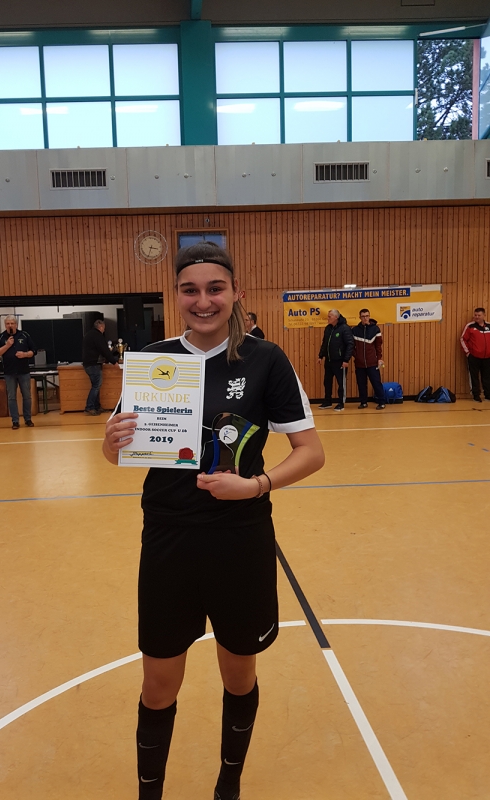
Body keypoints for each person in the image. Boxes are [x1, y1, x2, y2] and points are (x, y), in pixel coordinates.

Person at [103, 242, 325, 800]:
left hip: (239, 538)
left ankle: (229, 784)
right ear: (176, 296)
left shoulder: (265, 359)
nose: (203, 301)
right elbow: (118, 453)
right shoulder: (154, 360)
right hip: (169, 537)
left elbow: (310, 451)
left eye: (215, 288)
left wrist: (255, 484)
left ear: (235, 294)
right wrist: (111, 441)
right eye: (190, 290)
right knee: (158, 683)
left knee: (238, 675)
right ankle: (149, 792)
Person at [0, 315, 37, 430]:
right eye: (8, 323)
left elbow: (34, 350)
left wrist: (25, 354)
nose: (10, 325)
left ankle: (28, 419)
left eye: (12, 323)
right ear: (5, 325)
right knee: (11, 397)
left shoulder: (24, 335)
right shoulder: (1, 337)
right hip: (9, 372)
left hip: (23, 371)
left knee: (27, 396)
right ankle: (15, 421)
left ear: (16, 324)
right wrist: (7, 345)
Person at [317, 310, 354, 411]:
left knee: (341, 383)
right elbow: (325, 343)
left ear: (336, 317)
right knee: (327, 382)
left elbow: (350, 344)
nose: (328, 318)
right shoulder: (328, 328)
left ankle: (341, 403)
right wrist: (321, 356)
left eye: (330, 316)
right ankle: (327, 401)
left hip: (340, 361)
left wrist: (346, 360)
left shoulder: (345, 328)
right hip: (329, 360)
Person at [82, 318, 119, 415]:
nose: (104, 330)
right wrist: (113, 362)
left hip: (88, 364)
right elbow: (104, 350)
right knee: (96, 386)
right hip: (94, 364)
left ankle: (97, 406)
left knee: (96, 386)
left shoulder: (88, 334)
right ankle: (89, 407)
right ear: (101, 327)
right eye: (104, 328)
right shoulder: (98, 336)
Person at [351, 309, 386, 410]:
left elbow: (378, 346)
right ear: (360, 317)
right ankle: (363, 402)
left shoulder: (376, 329)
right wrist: (356, 355)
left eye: (367, 316)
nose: (365, 318)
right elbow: (351, 346)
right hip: (359, 363)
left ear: (369, 316)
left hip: (372, 363)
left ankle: (382, 402)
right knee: (361, 384)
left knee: (376, 383)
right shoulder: (355, 330)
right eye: (363, 316)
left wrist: (379, 359)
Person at [460, 307, 490, 403]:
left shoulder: (489, 326)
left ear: (484, 315)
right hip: (474, 357)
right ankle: (476, 395)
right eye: (475, 315)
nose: (477, 317)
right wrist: (468, 353)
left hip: (487, 357)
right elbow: (462, 339)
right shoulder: (470, 326)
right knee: (474, 377)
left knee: (487, 377)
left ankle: (488, 395)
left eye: (479, 315)